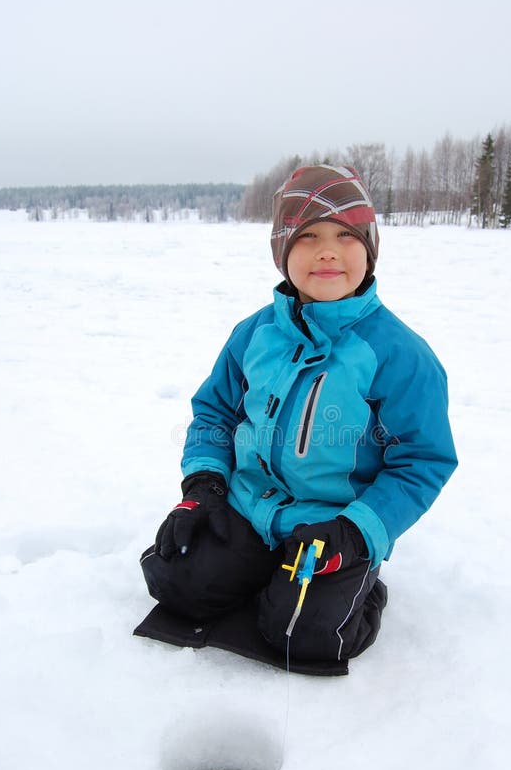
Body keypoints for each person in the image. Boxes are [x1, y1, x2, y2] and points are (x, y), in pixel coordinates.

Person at [140, 164, 457, 662]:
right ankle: (255, 565)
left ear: (369, 249)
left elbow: (422, 462)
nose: (327, 250)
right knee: (176, 580)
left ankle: (360, 588)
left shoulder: (399, 355)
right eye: (307, 235)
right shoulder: (254, 335)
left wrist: (358, 532)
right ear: (282, 250)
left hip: (329, 531)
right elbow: (213, 414)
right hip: (249, 507)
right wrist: (204, 486)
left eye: (345, 236)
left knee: (303, 634)